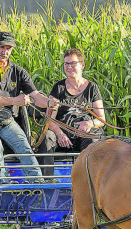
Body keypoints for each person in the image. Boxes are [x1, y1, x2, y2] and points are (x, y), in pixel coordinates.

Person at [0, 31, 58, 184]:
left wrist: (50, 103)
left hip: (6, 119)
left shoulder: (18, 72)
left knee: (24, 145)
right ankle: (4, 184)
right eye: (1, 47)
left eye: (8, 48)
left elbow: (36, 96)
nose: (4, 52)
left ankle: (37, 183)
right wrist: (14, 100)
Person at [37, 48, 106, 176]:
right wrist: (59, 134)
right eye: (66, 64)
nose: (69, 67)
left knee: (93, 141)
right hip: (64, 133)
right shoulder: (58, 88)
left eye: (73, 63)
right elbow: (49, 119)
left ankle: (89, 182)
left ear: (82, 65)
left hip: (84, 134)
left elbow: (101, 118)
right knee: (47, 138)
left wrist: (90, 123)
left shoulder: (92, 88)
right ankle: (46, 181)